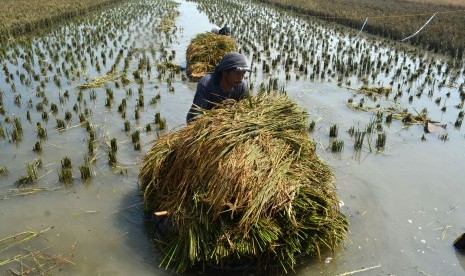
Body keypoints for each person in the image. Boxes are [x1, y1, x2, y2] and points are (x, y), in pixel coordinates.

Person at [186, 52, 251, 123]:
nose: (241, 77)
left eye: (243, 73)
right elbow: (197, 116)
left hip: (227, 123)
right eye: (237, 73)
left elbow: (246, 111)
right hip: (203, 123)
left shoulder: (241, 87)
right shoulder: (207, 84)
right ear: (225, 72)